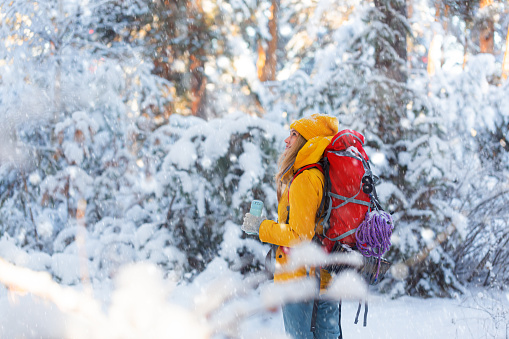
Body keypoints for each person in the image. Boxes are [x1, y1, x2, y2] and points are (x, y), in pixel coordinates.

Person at [242, 114, 341, 339]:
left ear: (308, 142)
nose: (287, 141)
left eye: (294, 135)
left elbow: (299, 237)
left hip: (301, 280)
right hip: (324, 277)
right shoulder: (321, 174)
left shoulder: (305, 179)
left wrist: (261, 227)